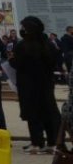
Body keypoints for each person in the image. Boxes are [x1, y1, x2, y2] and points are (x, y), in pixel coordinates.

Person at [9, 14, 61, 154]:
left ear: (27, 29)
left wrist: (11, 60)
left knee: (32, 113)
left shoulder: (22, 46)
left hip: (28, 84)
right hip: (46, 84)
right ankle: (52, 142)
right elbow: (54, 62)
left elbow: (17, 64)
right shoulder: (48, 44)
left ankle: (36, 142)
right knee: (49, 112)